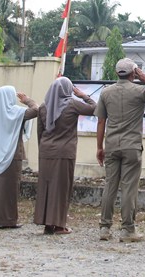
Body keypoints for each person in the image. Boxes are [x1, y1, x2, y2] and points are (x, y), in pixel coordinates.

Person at [96, 58, 145, 242]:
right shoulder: (140, 91)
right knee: (129, 188)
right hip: (132, 146)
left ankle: (104, 228)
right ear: (133, 73)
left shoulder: (106, 93)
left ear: (116, 73)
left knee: (110, 186)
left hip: (112, 145)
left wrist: (99, 147)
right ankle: (127, 229)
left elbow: (100, 121)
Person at [34, 76, 96, 234]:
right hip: (64, 152)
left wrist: (43, 149)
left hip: (46, 151)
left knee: (46, 188)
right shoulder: (72, 104)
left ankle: (47, 224)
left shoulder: (43, 107)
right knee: (61, 188)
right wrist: (83, 95)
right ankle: (60, 225)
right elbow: (95, 108)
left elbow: (40, 133)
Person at [0, 85, 39, 229]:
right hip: (12, 154)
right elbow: (36, 110)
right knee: (9, 188)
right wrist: (27, 100)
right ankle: (6, 220)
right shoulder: (14, 112)